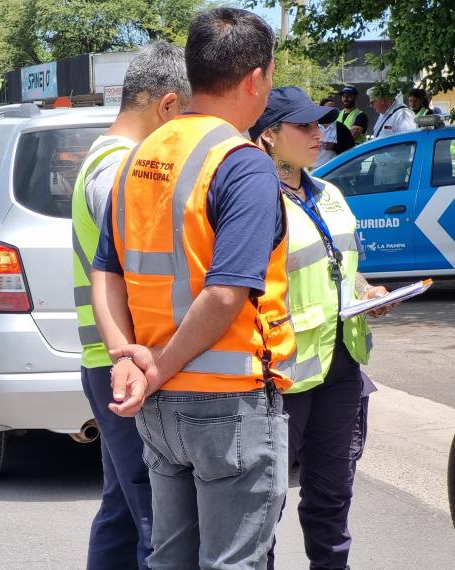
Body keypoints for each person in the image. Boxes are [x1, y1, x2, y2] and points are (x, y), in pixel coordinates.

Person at [92, 8, 295, 569]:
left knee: (168, 560)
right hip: (228, 404)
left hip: (159, 409)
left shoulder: (139, 158)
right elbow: (226, 294)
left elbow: (103, 271)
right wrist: (154, 365)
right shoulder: (242, 164)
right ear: (256, 78)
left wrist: (125, 358)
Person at [250, 86, 394, 570]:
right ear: (269, 136)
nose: (320, 133)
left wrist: (368, 292)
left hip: (341, 365)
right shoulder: (255, 197)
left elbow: (343, 264)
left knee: (333, 495)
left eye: (320, 124)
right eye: (305, 126)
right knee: (262, 507)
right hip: (282, 372)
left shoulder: (327, 191)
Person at [71, 40, 190, 570]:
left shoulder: (110, 160)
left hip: (113, 362)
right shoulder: (121, 170)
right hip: (127, 363)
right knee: (155, 526)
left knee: (124, 511)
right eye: (190, 119)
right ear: (166, 106)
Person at [314, 97, 355, 168]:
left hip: (333, 171)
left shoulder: (341, 128)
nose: (331, 111)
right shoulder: (312, 126)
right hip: (312, 170)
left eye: (333, 109)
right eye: (329, 109)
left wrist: (334, 147)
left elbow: (350, 149)